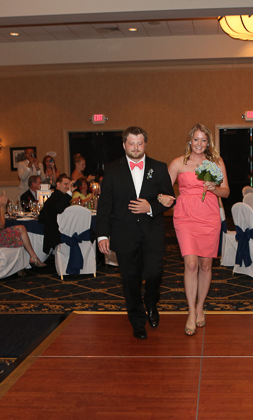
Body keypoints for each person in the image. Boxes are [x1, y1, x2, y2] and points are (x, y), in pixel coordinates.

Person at [96, 126, 174, 340]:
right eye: (132, 143)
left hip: (152, 232)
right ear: (124, 145)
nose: (136, 147)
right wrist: (102, 235)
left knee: (154, 273)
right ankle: (137, 321)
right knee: (130, 280)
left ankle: (151, 302)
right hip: (124, 233)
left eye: (140, 143)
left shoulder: (159, 168)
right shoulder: (112, 170)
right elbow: (105, 205)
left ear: (145, 144)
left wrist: (150, 207)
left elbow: (169, 198)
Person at [166, 123, 229, 336]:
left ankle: (200, 306)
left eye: (203, 140)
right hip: (185, 218)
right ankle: (191, 312)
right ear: (190, 141)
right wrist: (161, 199)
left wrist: (215, 188)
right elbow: (163, 189)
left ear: (208, 142)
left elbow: (226, 192)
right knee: (191, 264)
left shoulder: (216, 162)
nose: (199, 143)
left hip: (209, 217)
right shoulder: (178, 163)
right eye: (196, 139)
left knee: (205, 264)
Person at [0, 185, 46, 268]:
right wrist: (2, 207)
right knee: (22, 230)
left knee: (21, 228)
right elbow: (1, 225)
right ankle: (32, 257)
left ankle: (27, 260)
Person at [38, 174, 72, 254]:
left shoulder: (56, 196)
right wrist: (69, 193)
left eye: (69, 185)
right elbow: (59, 208)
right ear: (58, 184)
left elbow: (41, 217)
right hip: (57, 235)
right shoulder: (57, 196)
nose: (68, 187)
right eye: (65, 184)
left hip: (53, 234)